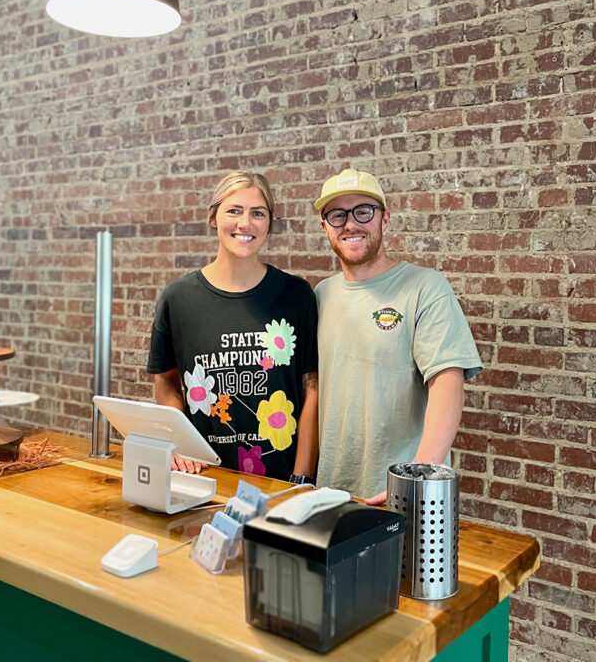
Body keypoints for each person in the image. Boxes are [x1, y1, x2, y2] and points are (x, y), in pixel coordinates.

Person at [313, 168, 483, 504]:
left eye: (363, 211)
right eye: (337, 215)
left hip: (400, 495)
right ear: (325, 227)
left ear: (384, 220)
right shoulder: (322, 294)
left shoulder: (425, 287)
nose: (350, 224)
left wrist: (417, 478)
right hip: (328, 492)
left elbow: (447, 381)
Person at [147, 171, 319, 484]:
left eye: (258, 213)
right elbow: (167, 381)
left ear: (269, 223)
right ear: (214, 218)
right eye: (234, 211)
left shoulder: (296, 295)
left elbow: (312, 388)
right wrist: (181, 443)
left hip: (282, 480)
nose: (245, 223)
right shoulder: (178, 298)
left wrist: (302, 477)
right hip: (205, 475)